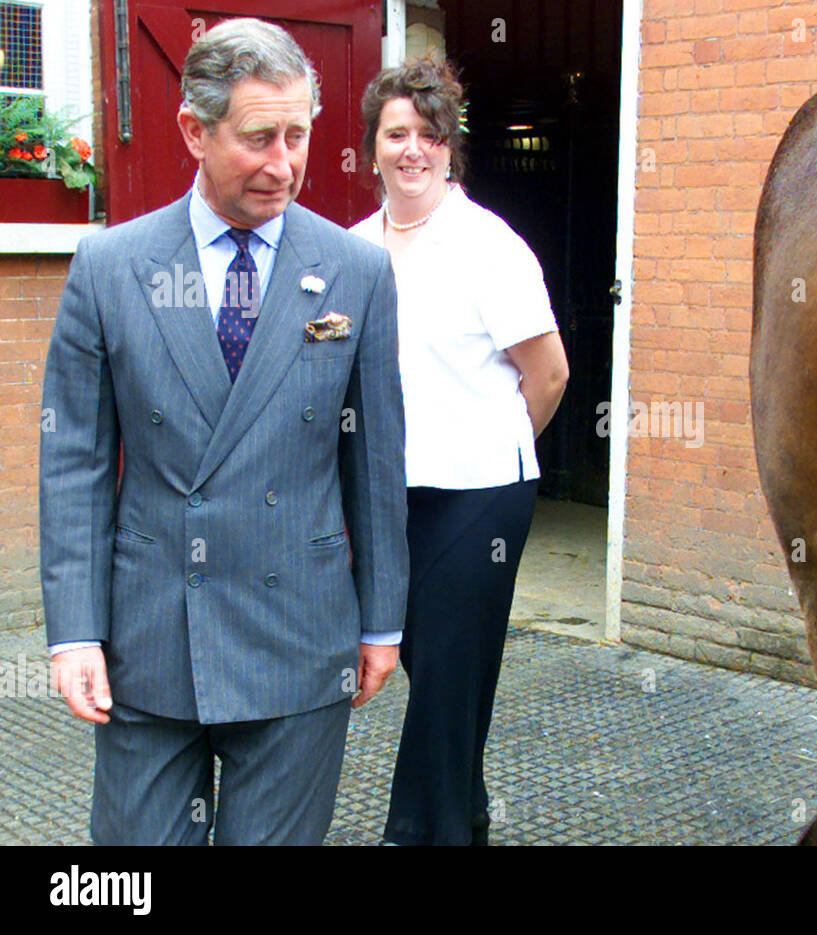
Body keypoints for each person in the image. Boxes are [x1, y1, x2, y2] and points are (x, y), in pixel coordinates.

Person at [39, 18, 408, 845]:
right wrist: (72, 631)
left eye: (298, 135)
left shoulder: (357, 269)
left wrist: (382, 620)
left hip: (299, 635)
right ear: (192, 131)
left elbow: (375, 460)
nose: (283, 165)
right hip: (150, 637)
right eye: (257, 138)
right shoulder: (109, 268)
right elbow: (75, 461)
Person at [350, 55, 569, 846]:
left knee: (445, 675)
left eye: (431, 134)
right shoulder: (348, 250)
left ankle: (416, 833)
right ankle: (467, 815)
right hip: (386, 498)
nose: (414, 148)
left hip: (480, 499)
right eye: (397, 132)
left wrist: (488, 448)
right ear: (373, 145)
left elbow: (547, 375)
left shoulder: (488, 246)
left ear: (452, 149)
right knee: (437, 670)